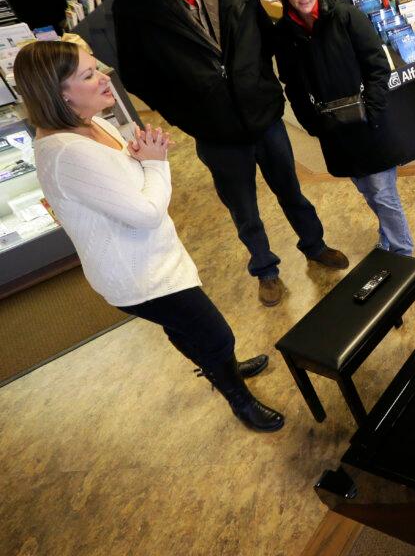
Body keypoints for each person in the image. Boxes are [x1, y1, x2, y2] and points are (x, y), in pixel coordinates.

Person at [14, 41, 284, 432]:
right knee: (215, 334)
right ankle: (236, 394)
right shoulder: (68, 153)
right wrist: (157, 164)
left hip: (153, 258)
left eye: (97, 68)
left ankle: (221, 369)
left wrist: (144, 160)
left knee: (185, 329)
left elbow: (130, 177)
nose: (104, 78)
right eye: (89, 75)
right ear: (59, 93)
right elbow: (145, 212)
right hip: (140, 277)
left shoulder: (93, 122)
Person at [112, 0, 348, 308]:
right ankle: (266, 269)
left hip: (263, 116)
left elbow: (268, 43)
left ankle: (315, 245)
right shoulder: (135, 7)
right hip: (215, 130)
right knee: (243, 208)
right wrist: (189, 115)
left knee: (291, 190)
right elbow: (137, 76)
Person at [270, 0, 414, 256]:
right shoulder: (284, 35)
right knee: (366, 191)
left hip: (369, 125)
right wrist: (311, 122)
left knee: (384, 194)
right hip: (333, 130)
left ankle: (404, 255)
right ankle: (387, 236)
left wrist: (372, 110)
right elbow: (292, 85)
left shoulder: (347, 17)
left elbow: (378, 67)